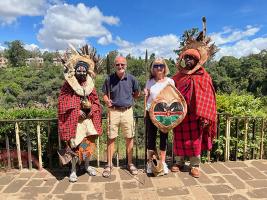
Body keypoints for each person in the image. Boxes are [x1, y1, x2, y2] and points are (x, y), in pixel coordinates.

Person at [171, 24, 217, 178]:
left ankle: (195, 165)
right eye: (187, 57)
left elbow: (208, 97)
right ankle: (178, 162)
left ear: (197, 60)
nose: (189, 60)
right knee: (179, 139)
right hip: (180, 114)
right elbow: (169, 93)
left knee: (195, 141)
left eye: (192, 58)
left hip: (196, 115)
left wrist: (205, 116)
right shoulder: (178, 76)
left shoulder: (204, 76)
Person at [58, 45, 102, 182]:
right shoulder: (68, 85)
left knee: (87, 145)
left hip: (88, 122)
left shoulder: (90, 86)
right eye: (79, 69)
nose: (82, 71)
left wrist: (91, 109)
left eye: (84, 69)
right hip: (75, 123)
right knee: (74, 146)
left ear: (87, 71)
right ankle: (73, 170)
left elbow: (96, 102)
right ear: (75, 70)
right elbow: (62, 102)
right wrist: (76, 112)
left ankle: (87, 165)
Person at [102, 56, 140, 177]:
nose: (120, 66)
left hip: (128, 111)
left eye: (122, 64)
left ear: (126, 65)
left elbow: (137, 93)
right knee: (111, 138)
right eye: (118, 64)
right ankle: (109, 164)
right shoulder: (109, 79)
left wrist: (128, 100)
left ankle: (130, 164)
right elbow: (104, 95)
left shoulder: (132, 79)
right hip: (113, 111)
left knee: (129, 137)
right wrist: (107, 101)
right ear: (115, 66)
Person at [144, 58, 175, 175]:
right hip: (151, 113)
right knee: (151, 138)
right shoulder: (150, 82)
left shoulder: (170, 82)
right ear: (153, 68)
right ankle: (150, 163)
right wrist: (145, 94)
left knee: (164, 138)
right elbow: (147, 99)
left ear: (164, 67)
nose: (159, 68)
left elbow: (174, 98)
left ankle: (162, 162)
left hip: (165, 115)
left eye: (161, 65)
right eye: (156, 66)